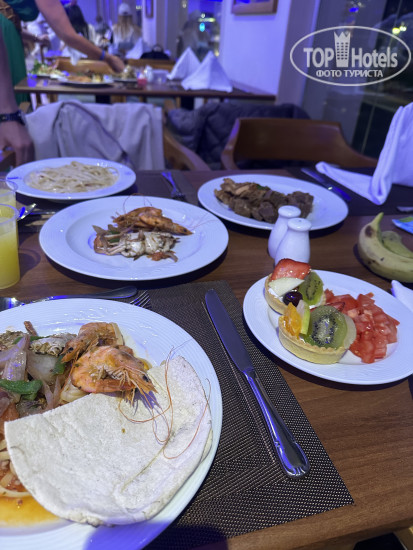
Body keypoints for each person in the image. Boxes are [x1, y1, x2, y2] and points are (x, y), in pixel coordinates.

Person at [0, 0, 124, 166]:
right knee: (13, 121)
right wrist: (108, 58)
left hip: (8, 37)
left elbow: (9, 19)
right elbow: (68, 34)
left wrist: (36, 38)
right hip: (5, 45)